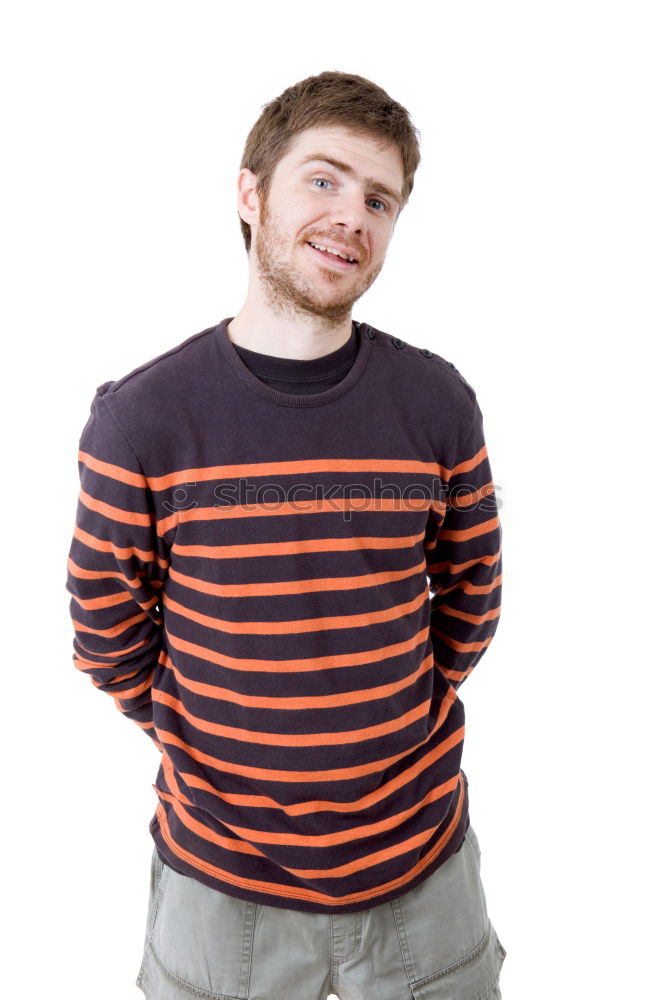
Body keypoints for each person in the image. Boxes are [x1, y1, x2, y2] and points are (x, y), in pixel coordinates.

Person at [66, 70, 507, 1000]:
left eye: (379, 198)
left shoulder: (437, 404)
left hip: (421, 876)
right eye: (324, 178)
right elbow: (106, 633)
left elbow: (472, 593)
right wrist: (202, 734)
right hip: (221, 896)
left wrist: (392, 718)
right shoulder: (142, 420)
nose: (353, 214)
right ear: (249, 192)